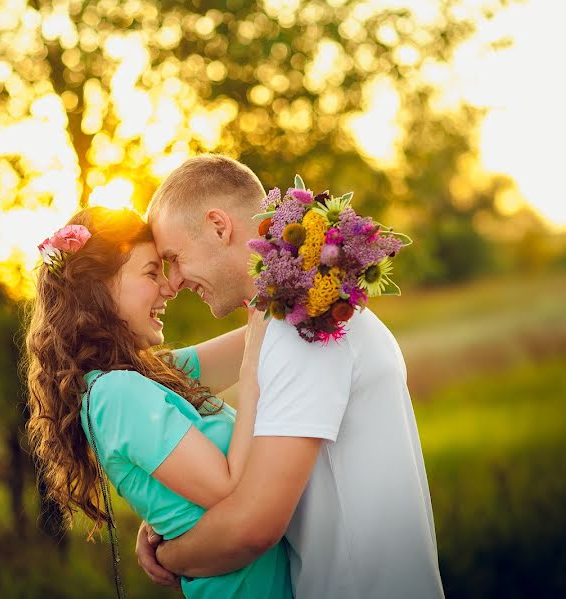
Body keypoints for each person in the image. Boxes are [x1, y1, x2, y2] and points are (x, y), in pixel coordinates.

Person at [135, 154, 445, 598]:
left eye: (174, 258)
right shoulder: (287, 319)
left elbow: (252, 527)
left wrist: (167, 554)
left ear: (219, 227)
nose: (176, 281)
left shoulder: (304, 329)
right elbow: (173, 376)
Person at [25, 206, 292, 598]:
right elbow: (233, 492)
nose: (169, 287)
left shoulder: (149, 376)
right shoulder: (116, 394)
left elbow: (262, 331)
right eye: (152, 273)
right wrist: (252, 376)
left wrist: (296, 262)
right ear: (97, 288)